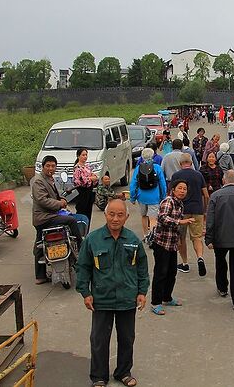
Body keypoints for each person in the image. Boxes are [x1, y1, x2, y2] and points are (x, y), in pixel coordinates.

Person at [76, 199, 149, 387]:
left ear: (126, 217)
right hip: (101, 299)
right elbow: (83, 267)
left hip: (127, 298)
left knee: (127, 338)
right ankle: (99, 376)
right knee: (99, 340)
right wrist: (85, 292)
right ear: (105, 215)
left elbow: (142, 267)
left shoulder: (133, 240)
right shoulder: (93, 239)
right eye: (111, 214)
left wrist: (142, 291)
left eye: (120, 215)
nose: (115, 219)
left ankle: (123, 372)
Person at [32, 155, 83, 284]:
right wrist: (59, 204)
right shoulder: (38, 181)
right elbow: (42, 200)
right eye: (48, 166)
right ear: (43, 167)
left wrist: (63, 199)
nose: (50, 168)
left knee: (39, 244)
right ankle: (81, 247)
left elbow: (55, 194)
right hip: (44, 217)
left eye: (53, 166)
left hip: (48, 215)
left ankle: (40, 275)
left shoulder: (50, 179)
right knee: (71, 221)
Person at [205, 170, 234, 310]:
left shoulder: (215, 196)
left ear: (223, 181)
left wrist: (209, 238)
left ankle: (222, 287)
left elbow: (210, 219)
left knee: (220, 262)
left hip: (220, 237)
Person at [150, 180, 196, 315]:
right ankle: (155, 303)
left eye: (185, 189)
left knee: (172, 272)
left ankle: (167, 297)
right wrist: (181, 221)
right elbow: (163, 218)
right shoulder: (168, 201)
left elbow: (177, 227)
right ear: (173, 189)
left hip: (172, 243)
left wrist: (179, 240)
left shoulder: (180, 203)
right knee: (160, 273)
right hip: (162, 243)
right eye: (180, 188)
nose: (182, 191)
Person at [170, 154, 209, 275]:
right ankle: (200, 257)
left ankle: (185, 263)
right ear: (191, 163)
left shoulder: (176, 176)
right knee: (196, 237)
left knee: (181, 238)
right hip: (197, 209)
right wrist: (205, 209)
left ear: (180, 164)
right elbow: (206, 194)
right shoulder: (198, 175)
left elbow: (171, 193)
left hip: (181, 211)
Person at [130, 148, 167, 239]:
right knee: (153, 218)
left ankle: (146, 235)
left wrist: (133, 197)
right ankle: (153, 236)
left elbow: (133, 184)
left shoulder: (138, 168)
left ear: (142, 156)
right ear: (152, 155)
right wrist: (163, 196)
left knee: (144, 216)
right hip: (154, 197)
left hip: (141, 196)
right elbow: (162, 183)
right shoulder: (157, 167)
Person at [73, 148, 99, 221]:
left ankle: (87, 230)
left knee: (88, 214)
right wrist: (90, 178)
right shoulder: (77, 168)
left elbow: (95, 177)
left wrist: (91, 178)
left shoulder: (87, 166)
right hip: (81, 193)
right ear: (78, 156)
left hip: (89, 192)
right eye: (83, 155)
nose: (85, 157)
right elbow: (81, 181)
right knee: (82, 213)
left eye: (86, 155)